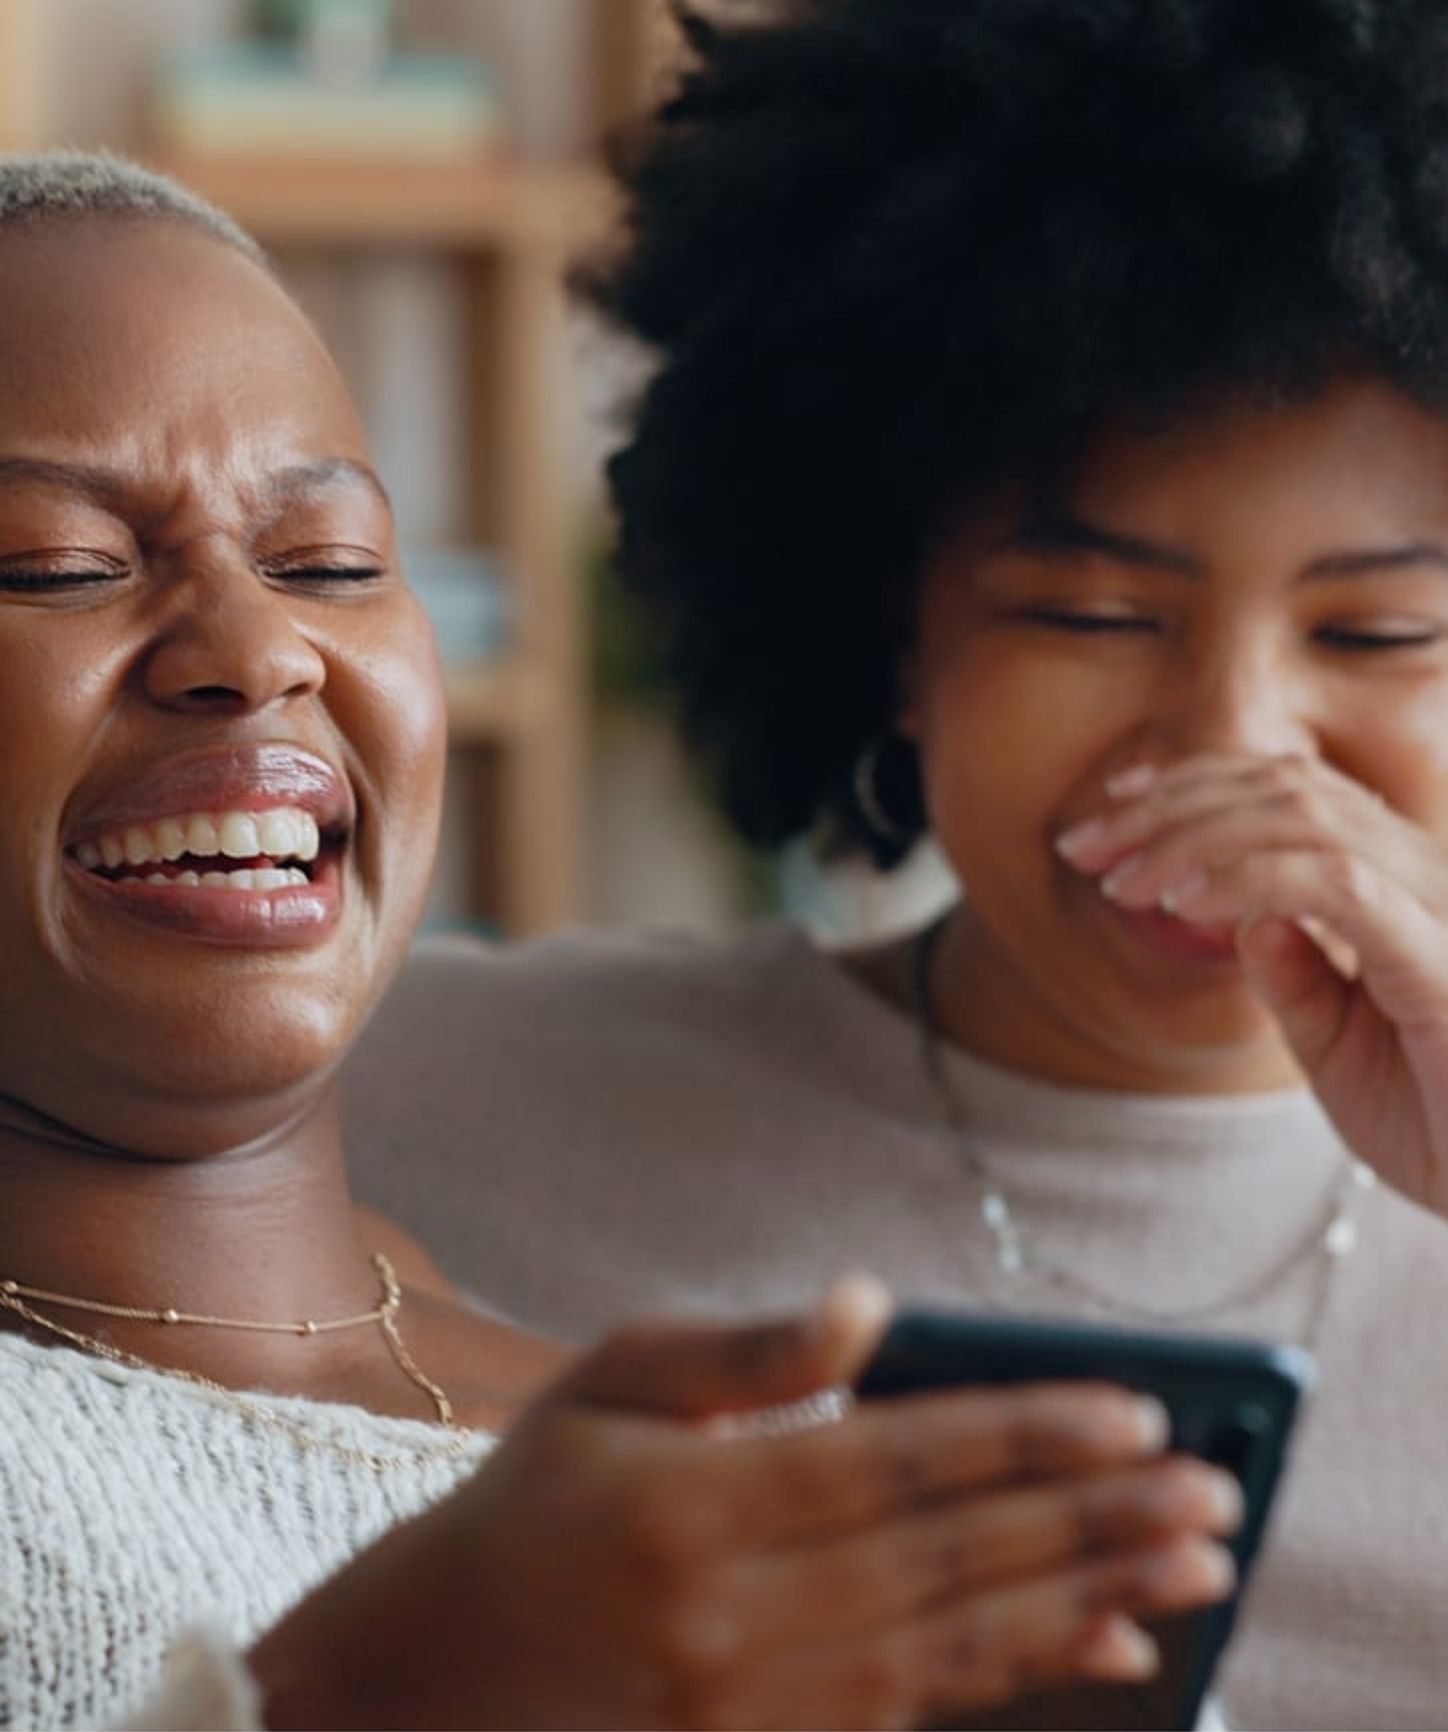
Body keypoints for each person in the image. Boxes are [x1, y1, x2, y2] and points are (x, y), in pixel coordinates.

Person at [0, 150, 1241, 1732]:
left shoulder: (714, 1473)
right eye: (55, 566)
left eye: (329, 565)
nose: (259, 648)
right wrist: (363, 1697)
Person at [343, 1, 1448, 1726]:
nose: (1232, 744)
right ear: (893, 637)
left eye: (1382, 631)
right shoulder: (425, 1100)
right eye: (1089, 614)